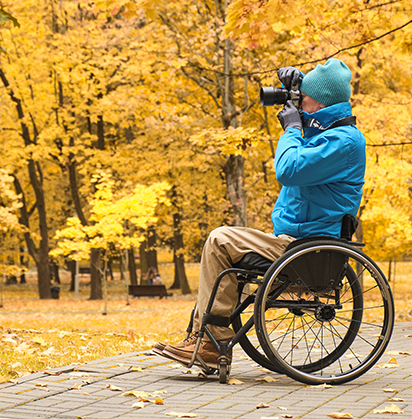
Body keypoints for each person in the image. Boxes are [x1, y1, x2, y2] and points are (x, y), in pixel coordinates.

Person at [152, 58, 366, 370]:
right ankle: (203, 338)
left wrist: (292, 127)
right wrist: (296, 86)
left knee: (219, 239)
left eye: (303, 99)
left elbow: (289, 168)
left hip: (309, 248)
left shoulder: (344, 142)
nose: (298, 105)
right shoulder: (330, 134)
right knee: (224, 245)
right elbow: (311, 137)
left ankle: (210, 342)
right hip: (297, 242)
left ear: (318, 103)